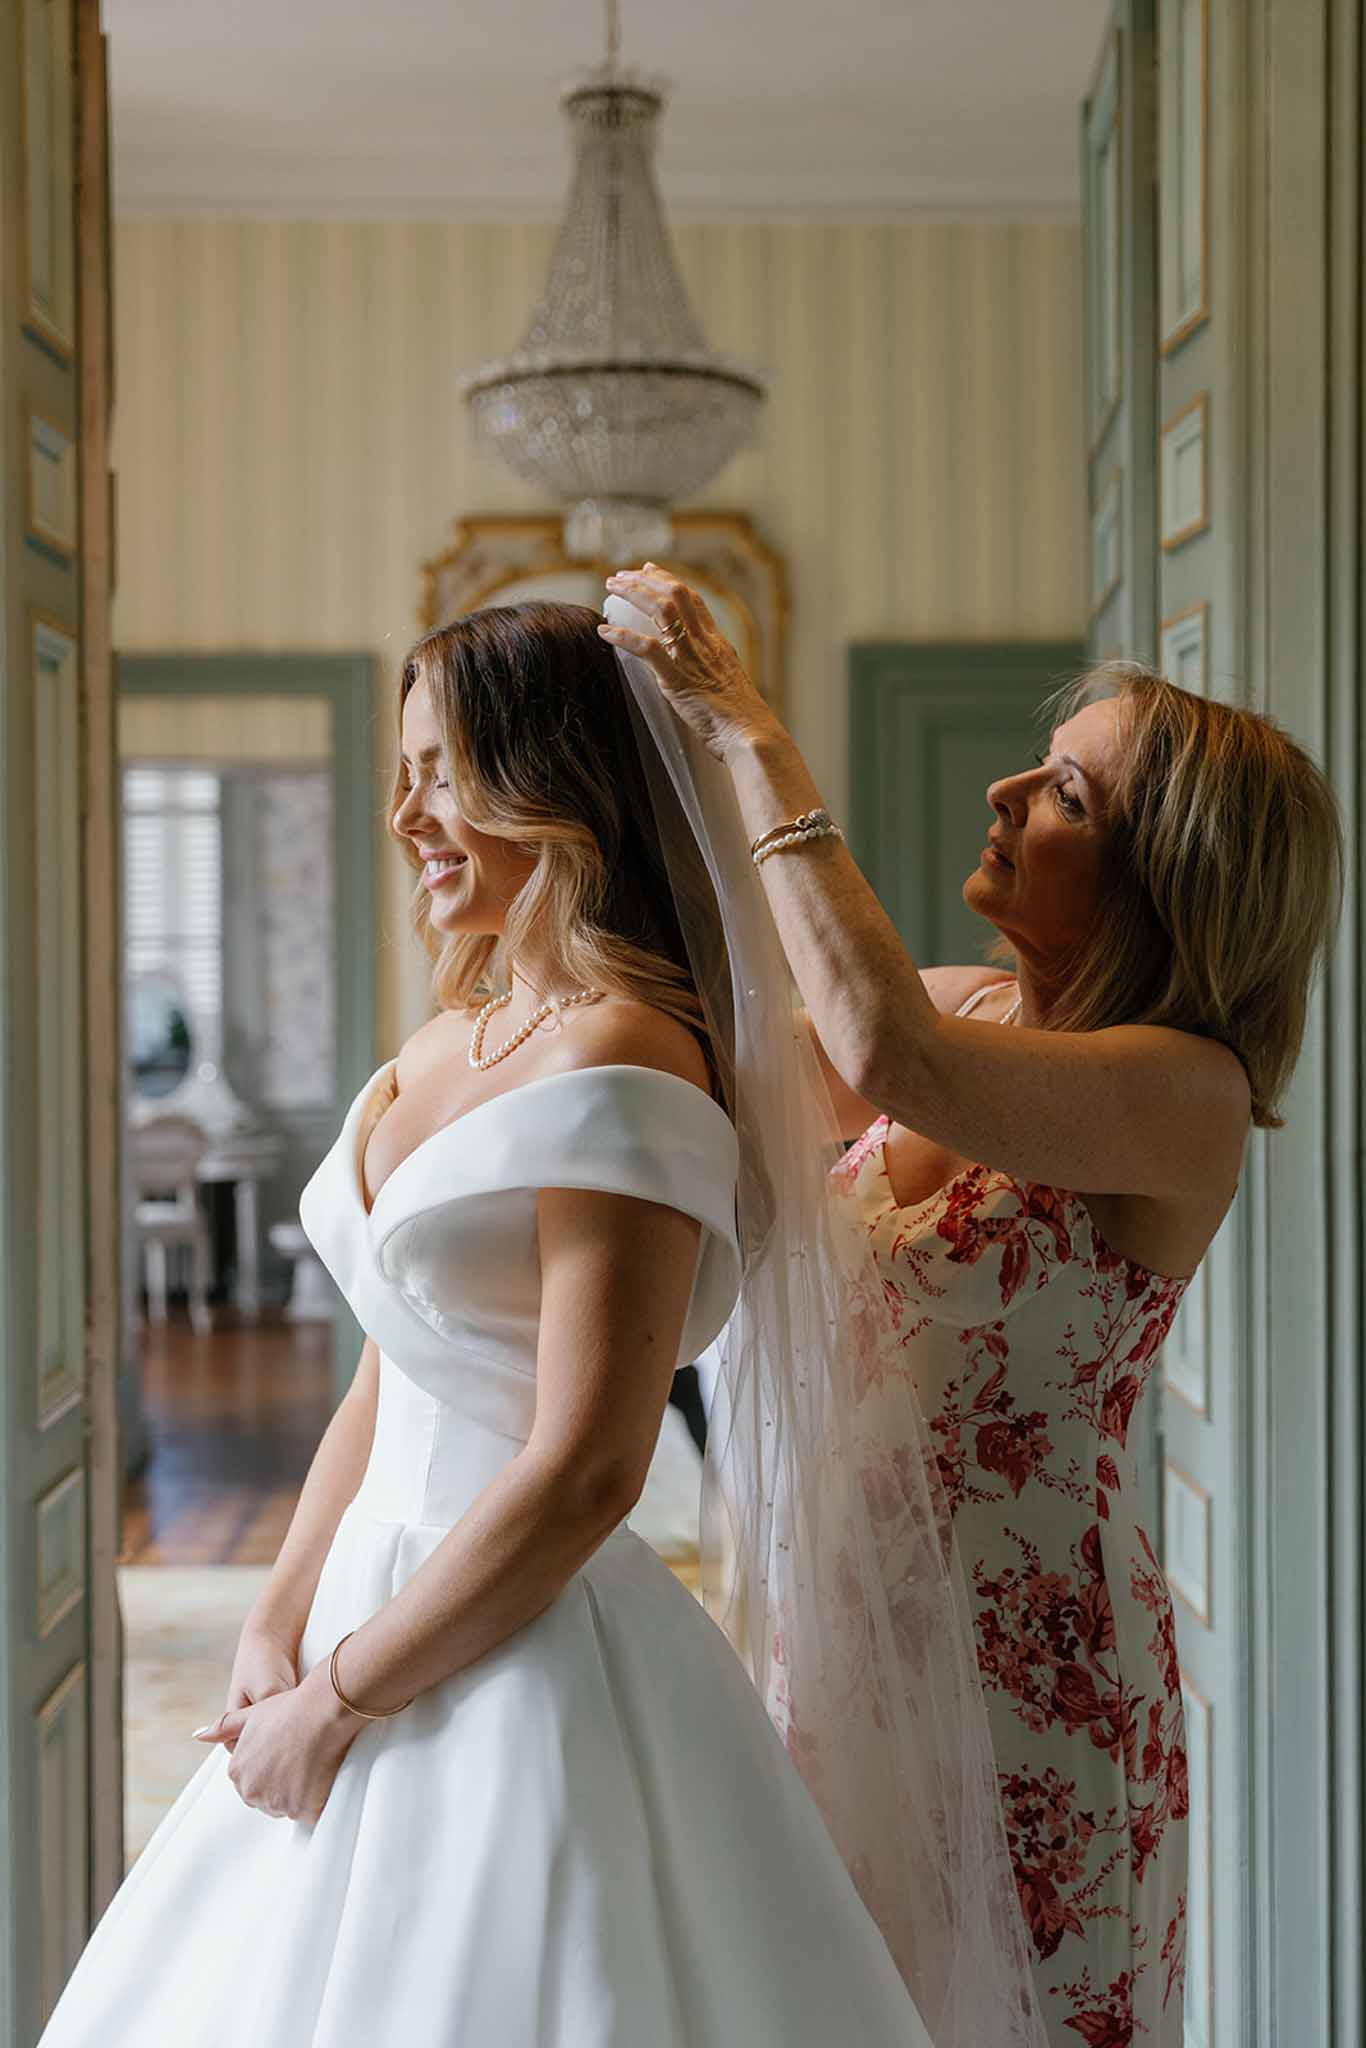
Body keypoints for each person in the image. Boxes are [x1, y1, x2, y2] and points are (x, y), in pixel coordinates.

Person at [39, 600, 1028, 2047]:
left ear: (554, 786)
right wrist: (274, 1618)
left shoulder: (629, 1050)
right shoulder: (453, 1034)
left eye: (440, 771)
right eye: (403, 772)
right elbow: (392, 1370)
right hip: (365, 1601)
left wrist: (342, 1704)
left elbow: (585, 1470)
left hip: (517, 1637)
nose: (404, 813)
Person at [600, 566, 1343, 2048]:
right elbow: (720, 1058)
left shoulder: (1180, 1093)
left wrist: (751, 733)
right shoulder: (971, 1006)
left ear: (1163, 872)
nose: (1006, 790)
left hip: (1032, 1695)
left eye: (1064, 791)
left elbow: (882, 1052)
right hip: (839, 1650)